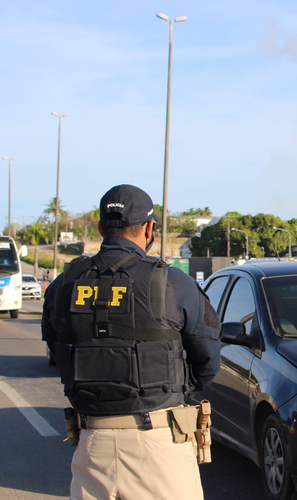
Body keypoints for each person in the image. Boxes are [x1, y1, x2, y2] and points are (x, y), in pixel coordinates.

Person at [42, 184, 222, 499]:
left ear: (101, 228)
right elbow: (207, 361)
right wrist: (169, 384)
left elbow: (58, 350)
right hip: (159, 444)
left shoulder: (63, 285)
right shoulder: (174, 283)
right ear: (150, 228)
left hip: (91, 444)